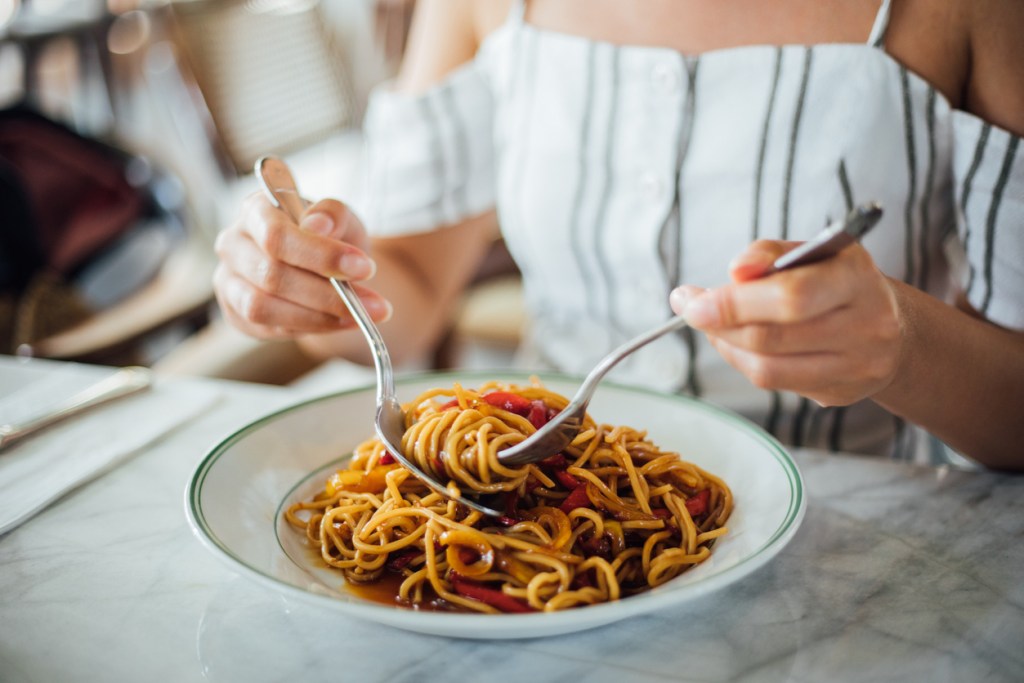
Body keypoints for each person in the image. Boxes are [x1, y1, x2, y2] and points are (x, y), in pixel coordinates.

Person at [212, 0, 1024, 470]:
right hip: (538, 517)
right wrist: (305, 282)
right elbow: (412, 294)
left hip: (874, 558)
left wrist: (900, 345)